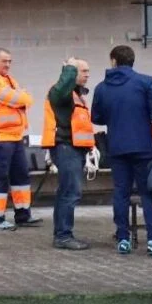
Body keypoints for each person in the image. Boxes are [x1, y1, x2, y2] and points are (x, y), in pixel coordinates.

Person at [91, 45, 152, 256]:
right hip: (143, 147)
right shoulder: (146, 82)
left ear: (113, 61)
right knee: (148, 192)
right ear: (132, 61)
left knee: (121, 193)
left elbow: (96, 117)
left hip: (117, 148)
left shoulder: (101, 88)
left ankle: (123, 238)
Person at [0, 48, 40, 231]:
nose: (8, 65)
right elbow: (21, 99)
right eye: (4, 61)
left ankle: (23, 215)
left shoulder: (7, 80)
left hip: (14, 136)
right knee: (0, 178)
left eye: (9, 61)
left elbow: (24, 99)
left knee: (21, 176)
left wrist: (21, 97)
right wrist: (21, 95)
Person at [41, 58, 95, 251]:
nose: (87, 74)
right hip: (65, 148)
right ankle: (63, 236)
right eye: (83, 71)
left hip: (73, 148)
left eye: (88, 71)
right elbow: (62, 88)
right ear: (71, 73)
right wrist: (69, 68)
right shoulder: (61, 92)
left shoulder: (75, 95)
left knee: (67, 191)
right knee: (71, 191)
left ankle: (62, 234)